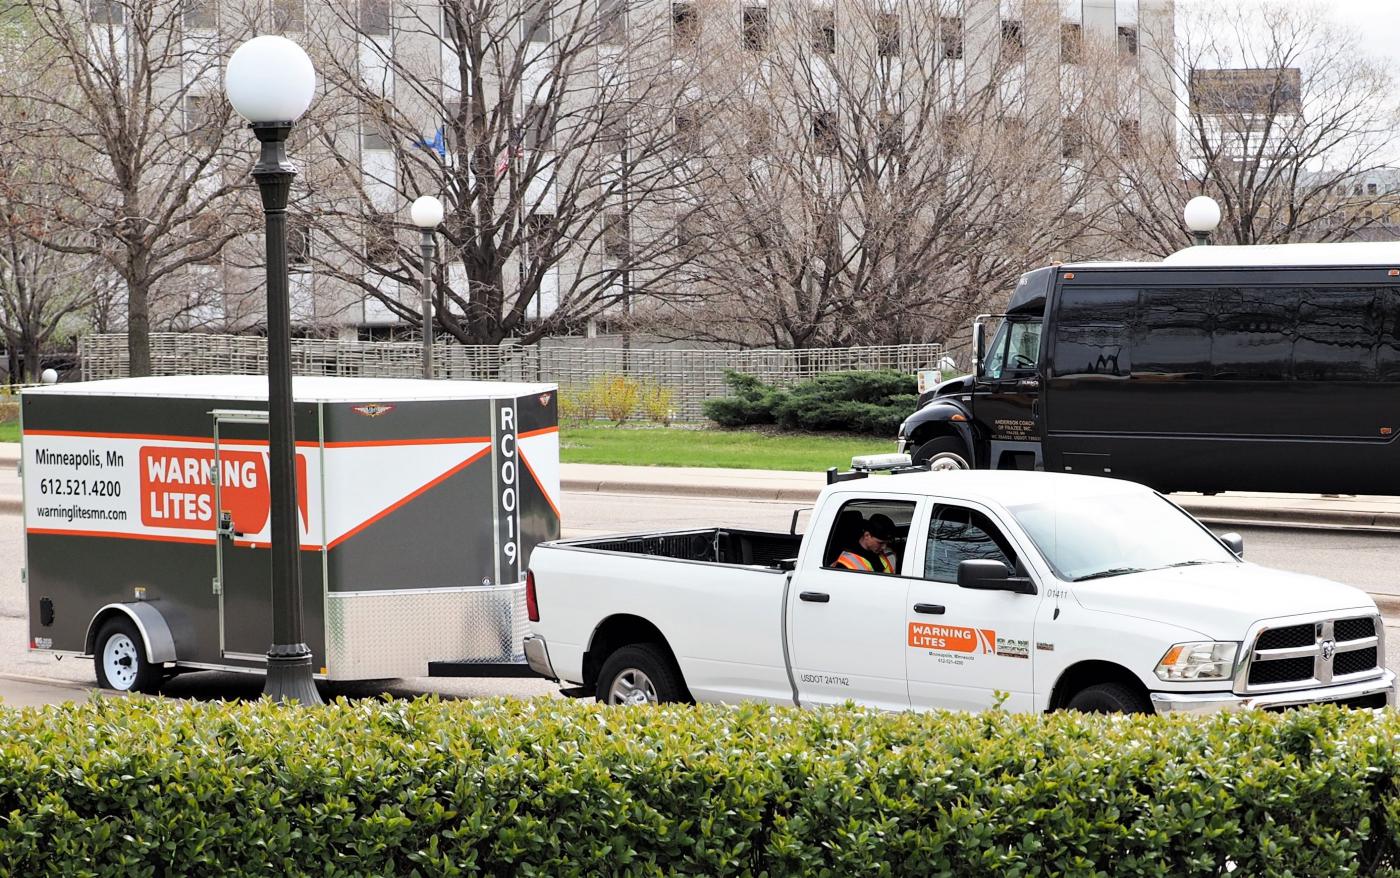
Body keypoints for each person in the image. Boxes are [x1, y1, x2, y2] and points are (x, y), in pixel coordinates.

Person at [833, 513, 898, 574]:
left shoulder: (888, 554)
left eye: (887, 543)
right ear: (867, 535)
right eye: (880, 543)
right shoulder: (846, 563)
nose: (884, 547)